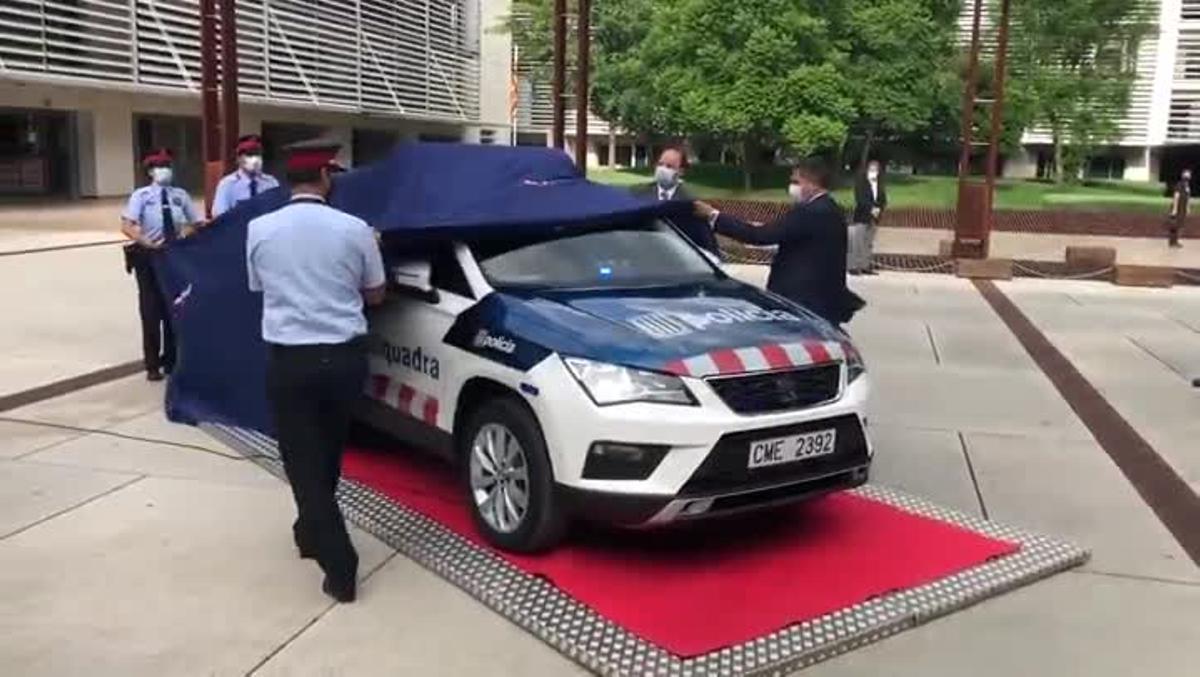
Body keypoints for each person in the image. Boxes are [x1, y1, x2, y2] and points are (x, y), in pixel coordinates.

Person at [246, 139, 386, 603]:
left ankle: (331, 552)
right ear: (327, 177)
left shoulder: (259, 228)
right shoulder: (355, 229)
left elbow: (258, 286)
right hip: (343, 358)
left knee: (303, 462)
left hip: (291, 360)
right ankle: (321, 541)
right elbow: (376, 295)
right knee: (327, 453)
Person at [694, 159, 864, 327]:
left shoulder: (810, 212)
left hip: (802, 302)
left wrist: (713, 216)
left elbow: (759, 235)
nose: (792, 188)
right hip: (821, 301)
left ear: (813, 184)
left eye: (796, 182)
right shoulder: (831, 209)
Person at [121, 148, 202, 381]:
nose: (164, 170)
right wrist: (146, 241)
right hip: (148, 256)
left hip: (173, 255)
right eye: (159, 167)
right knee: (150, 309)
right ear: (150, 172)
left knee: (174, 308)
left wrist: (185, 234)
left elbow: (194, 222)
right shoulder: (142, 195)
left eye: (167, 166)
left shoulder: (180, 195)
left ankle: (172, 361)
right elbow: (128, 225)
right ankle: (152, 364)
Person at [632, 146, 720, 255]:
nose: (662, 169)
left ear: (681, 171)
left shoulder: (690, 202)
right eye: (660, 164)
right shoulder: (638, 195)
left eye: (669, 166)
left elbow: (707, 244)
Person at [212, 134, 280, 217]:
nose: (255, 160)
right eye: (249, 155)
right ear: (238, 159)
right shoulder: (227, 184)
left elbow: (278, 211)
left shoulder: (271, 182)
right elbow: (221, 216)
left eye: (258, 155)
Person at [849, 159, 887, 275]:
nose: (874, 171)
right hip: (862, 215)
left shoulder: (879, 184)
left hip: (874, 216)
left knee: (869, 242)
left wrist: (879, 209)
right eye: (872, 169)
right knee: (858, 242)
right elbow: (860, 199)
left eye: (876, 169)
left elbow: (882, 199)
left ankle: (865, 266)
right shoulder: (861, 182)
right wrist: (871, 209)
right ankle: (854, 266)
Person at [1168, 168, 1191, 249]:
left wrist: (1188, 208)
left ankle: (1176, 241)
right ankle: (1172, 242)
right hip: (1178, 207)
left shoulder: (1187, 185)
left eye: (1189, 174)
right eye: (1187, 174)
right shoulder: (1179, 184)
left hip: (1183, 208)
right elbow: (1176, 196)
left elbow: (1188, 197)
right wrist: (1174, 209)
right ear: (1183, 175)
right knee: (1175, 225)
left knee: (1180, 225)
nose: (1188, 176)